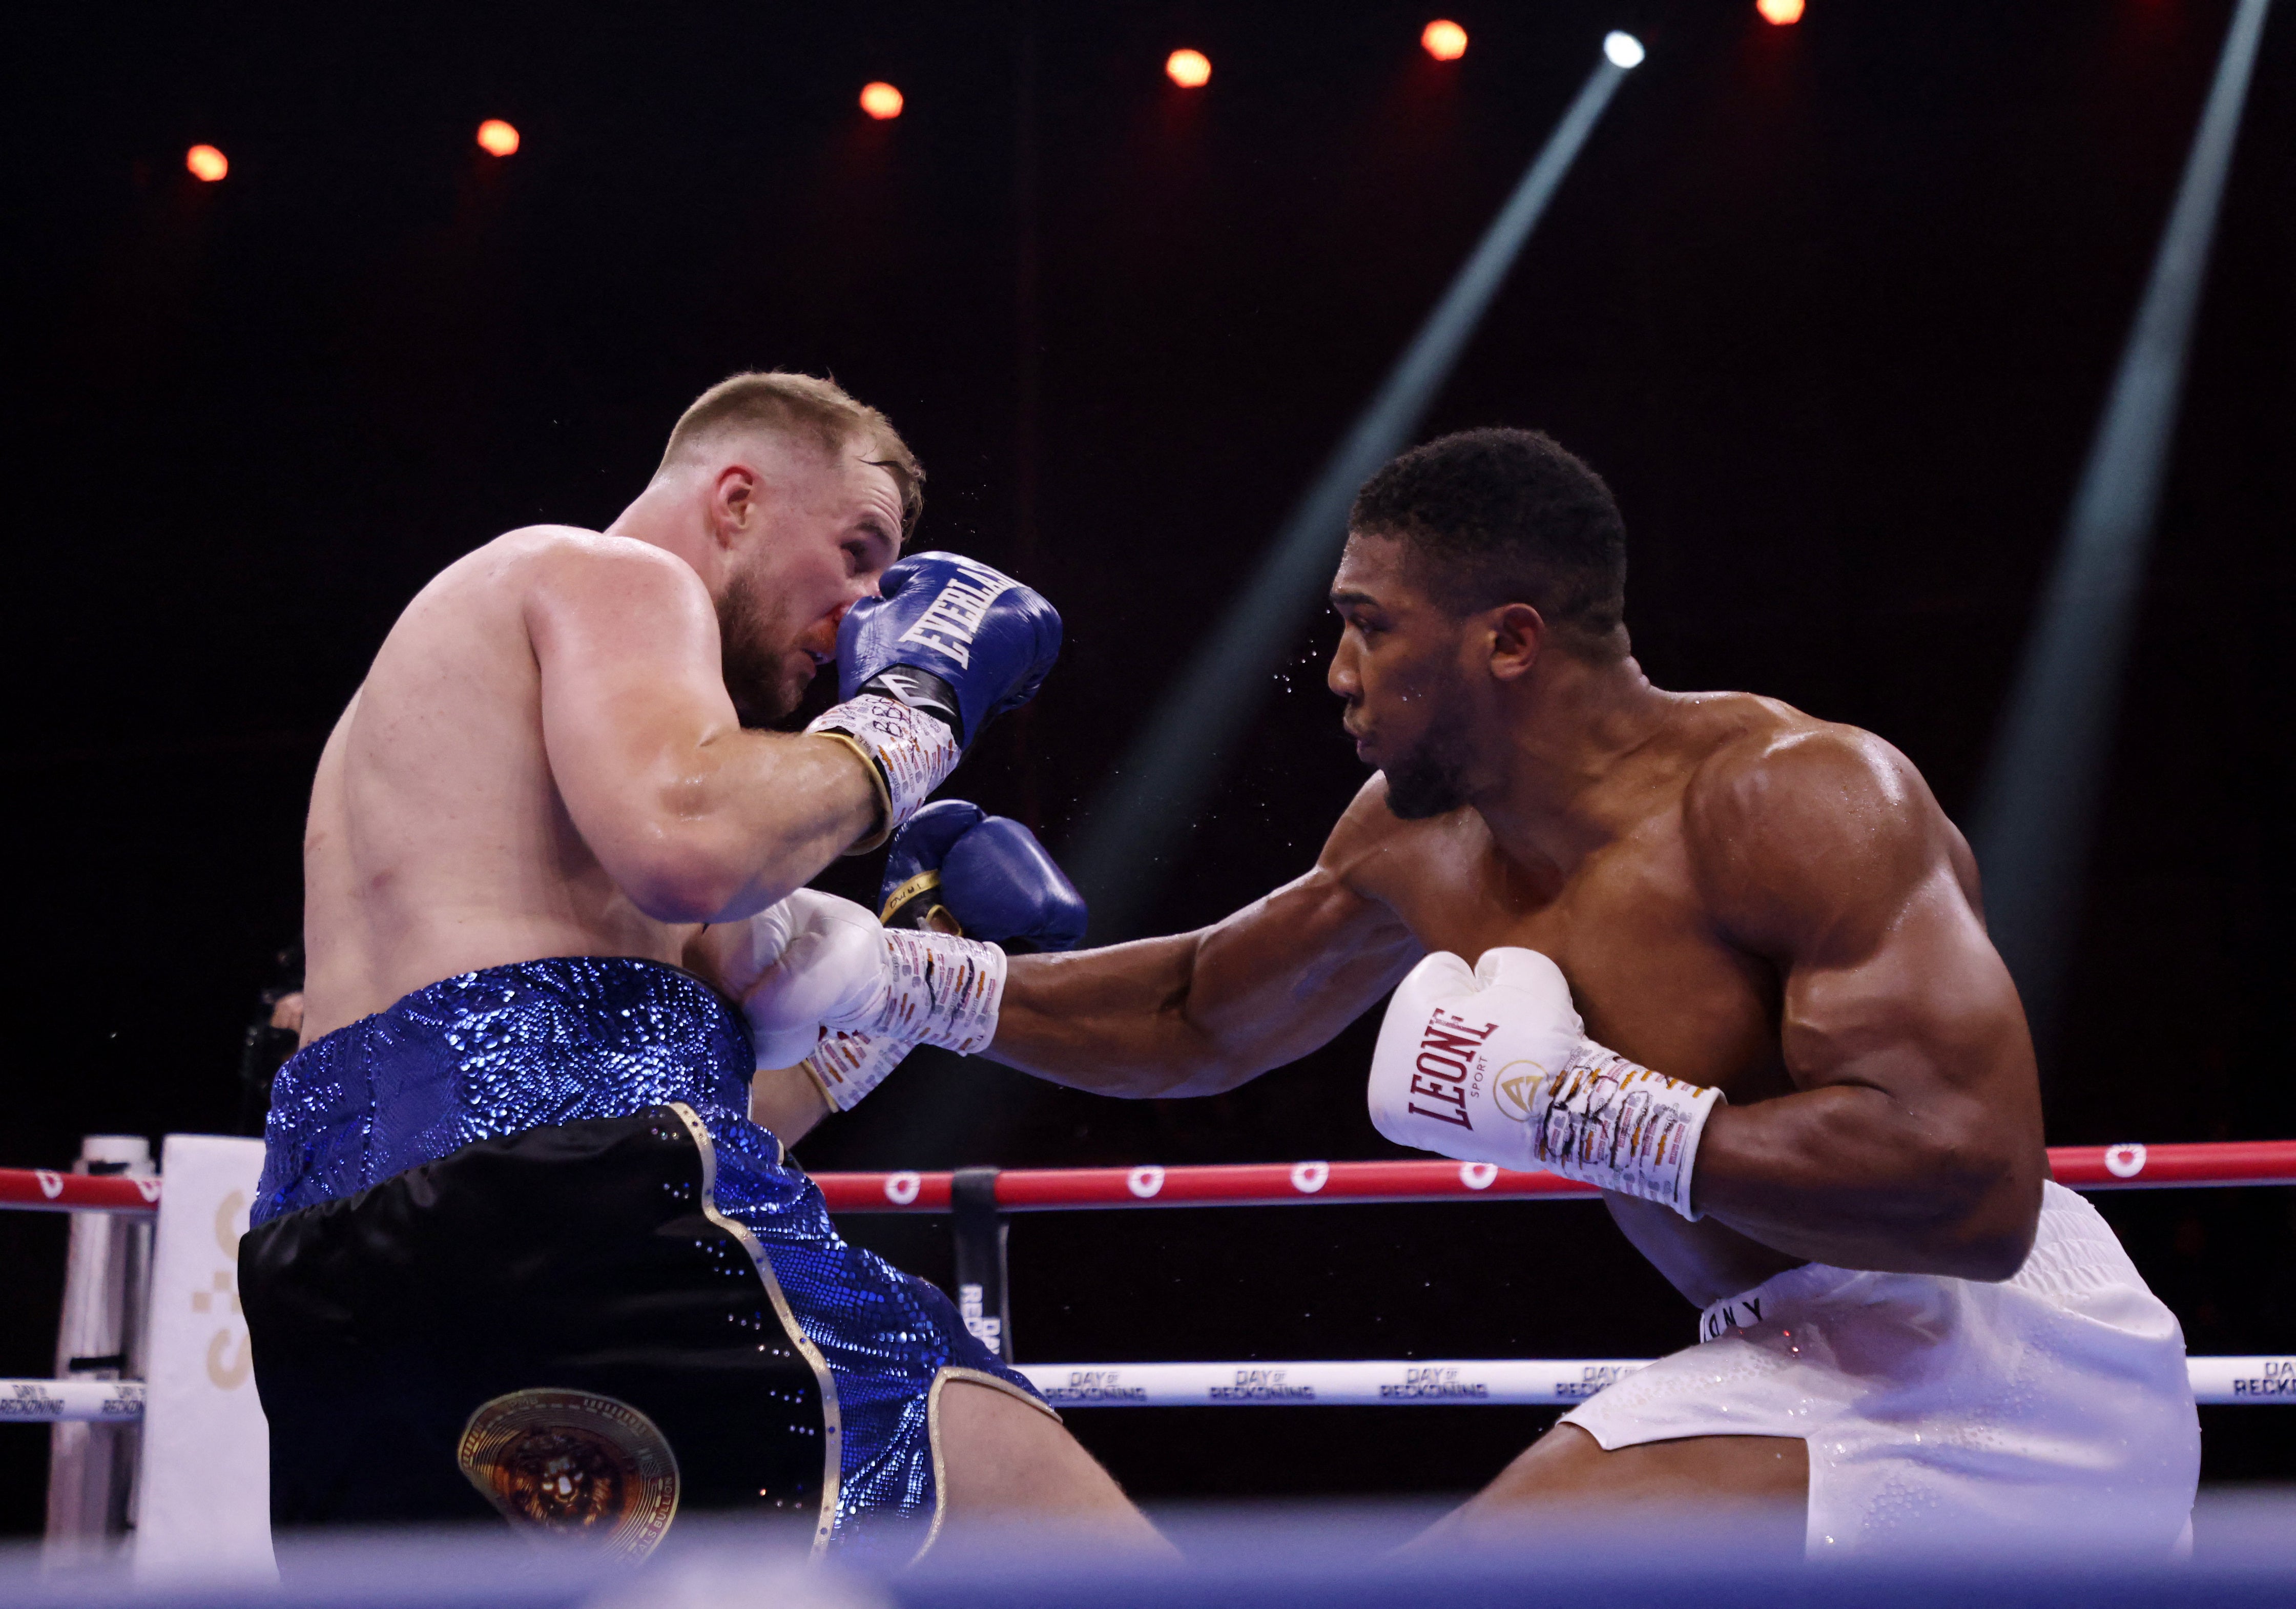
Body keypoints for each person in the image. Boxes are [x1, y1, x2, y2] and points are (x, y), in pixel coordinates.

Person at [750, 428, 2200, 1556]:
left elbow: (1975, 1192)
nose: (1337, 673)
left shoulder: (1794, 798)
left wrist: (1590, 1114)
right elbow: (1198, 1013)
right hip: (1793, 1354)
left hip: (1987, 1342)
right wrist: (905, 974)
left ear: (1507, 638)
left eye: (1371, 624)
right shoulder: (1412, 837)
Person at [239, 371, 1159, 1561]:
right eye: (859, 551)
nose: (867, 607)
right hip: (564, 1214)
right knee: (1067, 1536)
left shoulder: (483, 745)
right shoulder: (607, 574)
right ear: (735, 500)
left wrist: (910, 988)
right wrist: (920, 699)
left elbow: (655, 1106)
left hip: (332, 1272)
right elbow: (692, 844)